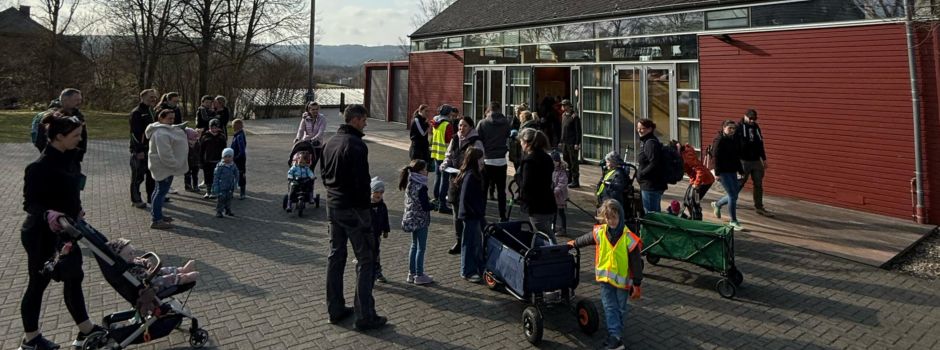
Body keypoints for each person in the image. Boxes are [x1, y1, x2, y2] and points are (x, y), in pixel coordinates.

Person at [20, 113, 104, 350]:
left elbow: (72, 191)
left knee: (74, 277)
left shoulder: (71, 158)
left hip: (67, 232)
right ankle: (31, 339)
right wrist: (49, 213)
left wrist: (76, 211)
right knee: (38, 284)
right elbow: (30, 204)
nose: (80, 140)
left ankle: (86, 328)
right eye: (75, 135)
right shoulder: (38, 168)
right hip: (40, 235)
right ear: (58, 137)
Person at [321, 104, 387, 330]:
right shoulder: (356, 145)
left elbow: (323, 175)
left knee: (336, 256)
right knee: (366, 259)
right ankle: (365, 315)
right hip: (354, 210)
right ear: (356, 120)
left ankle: (335, 309)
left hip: (333, 206)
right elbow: (361, 183)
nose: (366, 123)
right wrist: (366, 213)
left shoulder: (329, 142)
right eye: (365, 120)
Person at [566, 199, 644, 350]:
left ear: (620, 216)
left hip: (622, 283)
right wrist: (574, 243)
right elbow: (587, 238)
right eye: (608, 218)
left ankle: (616, 336)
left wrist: (637, 283)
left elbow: (636, 262)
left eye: (614, 217)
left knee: (620, 309)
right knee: (610, 307)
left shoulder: (628, 238)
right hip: (605, 280)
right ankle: (615, 336)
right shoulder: (601, 232)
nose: (611, 221)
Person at [441, 116, 484, 254]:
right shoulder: (454, 139)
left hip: (468, 182)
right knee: (456, 214)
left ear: (471, 127)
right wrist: (445, 164)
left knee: (469, 215)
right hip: (454, 181)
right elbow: (448, 155)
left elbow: (480, 162)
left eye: (464, 126)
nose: (461, 128)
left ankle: (473, 243)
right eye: (460, 125)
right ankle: (459, 241)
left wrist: (467, 172)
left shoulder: (476, 142)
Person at [146, 109, 189, 230]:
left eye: (173, 119)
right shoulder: (161, 133)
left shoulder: (161, 130)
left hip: (162, 167)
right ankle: (156, 220)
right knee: (160, 192)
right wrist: (174, 165)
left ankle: (157, 215)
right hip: (163, 168)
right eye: (169, 119)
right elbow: (165, 154)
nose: (171, 121)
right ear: (161, 119)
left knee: (158, 191)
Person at [106, 238, 199, 292]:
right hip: (150, 283)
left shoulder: (132, 260)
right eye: (129, 254)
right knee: (167, 279)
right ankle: (183, 278)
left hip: (150, 273)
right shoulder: (129, 270)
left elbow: (142, 260)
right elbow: (143, 278)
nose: (132, 255)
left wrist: (148, 263)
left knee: (164, 270)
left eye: (132, 252)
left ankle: (181, 270)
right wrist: (149, 272)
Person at [517, 128, 557, 242]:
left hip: (537, 206)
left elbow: (526, 185)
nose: (520, 144)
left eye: (521, 141)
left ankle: (555, 254)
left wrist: (518, 179)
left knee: (545, 235)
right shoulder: (546, 157)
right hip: (549, 202)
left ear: (527, 143)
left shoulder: (530, 161)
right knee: (543, 234)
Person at [399, 160, 434, 285]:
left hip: (411, 219)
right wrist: (433, 205)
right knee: (421, 248)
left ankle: (411, 273)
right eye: (425, 170)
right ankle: (419, 275)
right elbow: (425, 206)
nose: (427, 172)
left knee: (414, 245)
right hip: (420, 220)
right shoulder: (422, 186)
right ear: (419, 172)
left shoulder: (410, 182)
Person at [476, 101, 512, 222]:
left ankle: (482, 214)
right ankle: (503, 215)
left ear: (488, 110)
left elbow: (477, 140)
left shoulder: (483, 123)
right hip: (501, 160)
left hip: (487, 160)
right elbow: (508, 136)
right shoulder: (506, 122)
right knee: (502, 191)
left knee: (483, 190)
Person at [34, 89, 88, 168]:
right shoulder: (52, 115)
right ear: (65, 100)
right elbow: (41, 140)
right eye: (76, 100)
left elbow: (83, 137)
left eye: (80, 100)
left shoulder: (78, 115)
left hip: (73, 160)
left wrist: (79, 154)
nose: (79, 102)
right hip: (54, 160)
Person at [456, 148, 486, 283]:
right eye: (481, 159)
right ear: (475, 160)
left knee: (475, 243)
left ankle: (478, 268)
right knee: (470, 243)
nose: (483, 161)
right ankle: (467, 271)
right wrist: (475, 213)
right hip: (471, 216)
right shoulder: (471, 176)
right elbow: (466, 198)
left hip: (473, 214)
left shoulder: (474, 174)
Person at [737, 109, 773, 217]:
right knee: (740, 183)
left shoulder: (756, 127)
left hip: (756, 160)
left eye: (754, 119)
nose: (752, 121)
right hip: (744, 161)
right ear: (745, 116)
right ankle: (728, 201)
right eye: (750, 118)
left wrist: (764, 159)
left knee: (758, 183)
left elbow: (760, 144)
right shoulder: (739, 127)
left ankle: (759, 206)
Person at [711, 120, 744, 230]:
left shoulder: (734, 139)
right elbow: (715, 157)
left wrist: (741, 170)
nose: (732, 130)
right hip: (722, 172)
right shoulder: (719, 140)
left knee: (734, 195)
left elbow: (736, 156)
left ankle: (717, 204)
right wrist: (717, 173)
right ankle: (733, 221)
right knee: (732, 195)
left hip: (732, 170)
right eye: (730, 128)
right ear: (724, 128)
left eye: (733, 128)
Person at [129, 89, 158, 209]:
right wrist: (139, 150)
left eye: (154, 97)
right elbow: (134, 134)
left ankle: (152, 197)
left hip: (151, 149)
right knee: (138, 177)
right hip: (140, 150)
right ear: (143, 97)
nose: (153, 99)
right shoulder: (137, 112)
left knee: (151, 175)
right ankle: (135, 200)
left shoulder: (151, 111)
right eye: (151, 97)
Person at [430, 104, 457, 214]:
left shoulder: (435, 122)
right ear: (447, 113)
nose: (452, 114)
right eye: (450, 112)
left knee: (437, 177)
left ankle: (436, 199)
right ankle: (442, 204)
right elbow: (449, 140)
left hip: (436, 154)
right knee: (444, 180)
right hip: (444, 155)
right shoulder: (447, 125)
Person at [636, 118, 667, 213]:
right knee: (653, 212)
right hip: (649, 184)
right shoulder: (646, 141)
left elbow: (654, 163)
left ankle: (654, 228)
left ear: (650, 129)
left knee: (651, 214)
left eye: (642, 128)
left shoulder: (650, 143)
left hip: (651, 185)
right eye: (638, 128)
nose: (639, 130)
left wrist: (642, 174)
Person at [680, 143, 715, 220]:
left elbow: (700, 170)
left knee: (694, 201)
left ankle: (697, 219)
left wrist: (696, 183)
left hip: (705, 180)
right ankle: (693, 217)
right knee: (687, 199)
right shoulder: (683, 155)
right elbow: (689, 170)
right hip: (698, 179)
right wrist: (693, 179)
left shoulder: (687, 155)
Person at [294, 102, 327, 170]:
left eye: (317, 109)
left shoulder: (322, 118)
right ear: (309, 110)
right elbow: (301, 130)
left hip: (317, 145)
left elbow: (321, 132)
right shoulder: (305, 118)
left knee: (312, 166)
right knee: (304, 165)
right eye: (313, 109)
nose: (315, 111)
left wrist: (313, 139)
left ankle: (310, 179)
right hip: (306, 144)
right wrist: (297, 138)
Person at [369, 177, 390, 284]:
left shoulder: (382, 206)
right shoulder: (366, 206)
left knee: (376, 254)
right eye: (376, 192)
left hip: (377, 235)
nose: (378, 195)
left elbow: (385, 219)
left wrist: (386, 230)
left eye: (381, 193)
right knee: (367, 255)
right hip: (367, 235)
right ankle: (367, 275)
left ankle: (377, 272)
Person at [199, 119, 227, 199]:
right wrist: (201, 161)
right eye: (212, 128)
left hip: (218, 160)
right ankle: (208, 191)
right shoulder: (205, 137)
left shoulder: (222, 137)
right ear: (209, 127)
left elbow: (224, 149)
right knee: (208, 177)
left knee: (217, 177)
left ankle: (215, 191)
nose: (214, 130)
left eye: (216, 128)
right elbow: (201, 150)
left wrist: (224, 160)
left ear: (218, 128)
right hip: (207, 161)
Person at [559, 99, 582, 188]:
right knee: (566, 161)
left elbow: (578, 131)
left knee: (573, 162)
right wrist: (561, 141)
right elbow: (562, 129)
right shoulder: (563, 115)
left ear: (569, 106)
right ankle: (568, 179)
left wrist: (577, 143)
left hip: (572, 143)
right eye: (562, 105)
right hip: (565, 142)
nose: (563, 107)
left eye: (564, 105)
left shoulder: (574, 117)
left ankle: (575, 181)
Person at [213, 148, 239, 218]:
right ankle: (219, 211)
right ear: (223, 157)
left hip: (230, 186)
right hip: (222, 186)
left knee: (229, 199)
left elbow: (237, 173)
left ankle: (228, 210)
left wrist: (236, 182)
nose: (227, 158)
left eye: (229, 157)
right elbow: (216, 177)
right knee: (221, 199)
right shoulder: (220, 166)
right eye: (225, 157)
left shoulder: (233, 165)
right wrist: (215, 185)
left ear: (232, 157)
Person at [551, 151, 569, 237]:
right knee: (553, 213)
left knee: (561, 213)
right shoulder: (551, 170)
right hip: (553, 196)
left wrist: (555, 191)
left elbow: (562, 184)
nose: (553, 163)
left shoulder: (562, 171)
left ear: (558, 161)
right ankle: (552, 228)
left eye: (554, 161)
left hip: (560, 196)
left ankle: (563, 229)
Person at [508, 103, 529, 171]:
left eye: (518, 110)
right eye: (515, 110)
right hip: (514, 144)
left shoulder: (525, 122)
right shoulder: (514, 119)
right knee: (516, 164)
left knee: (520, 165)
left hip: (520, 145)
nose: (516, 112)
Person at [231, 119, 247, 199]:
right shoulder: (237, 135)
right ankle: (232, 191)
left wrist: (236, 157)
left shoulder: (239, 136)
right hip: (236, 158)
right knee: (233, 174)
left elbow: (242, 149)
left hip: (239, 160)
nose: (232, 127)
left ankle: (242, 192)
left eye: (233, 126)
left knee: (241, 175)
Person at [184, 128, 201, 193]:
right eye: (190, 139)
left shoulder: (197, 144)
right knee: (187, 175)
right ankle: (188, 186)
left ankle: (195, 185)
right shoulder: (185, 145)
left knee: (195, 175)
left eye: (194, 139)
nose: (193, 141)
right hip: (188, 163)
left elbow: (200, 153)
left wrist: (199, 161)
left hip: (196, 162)